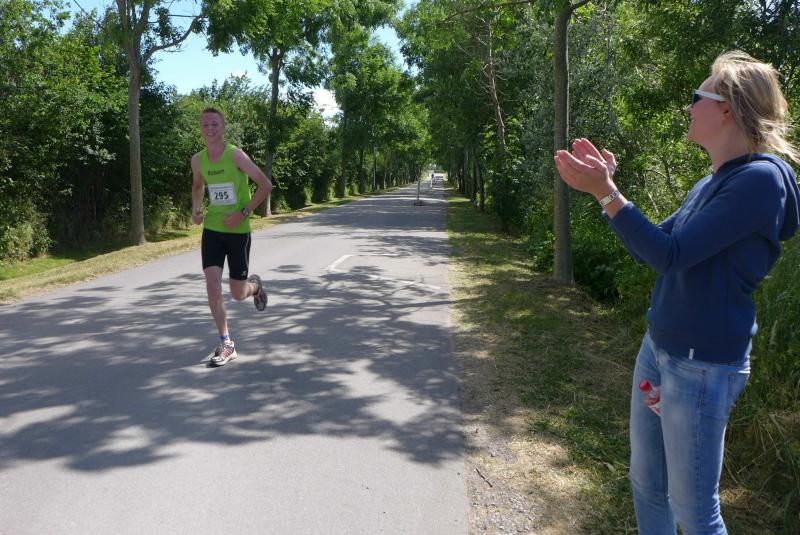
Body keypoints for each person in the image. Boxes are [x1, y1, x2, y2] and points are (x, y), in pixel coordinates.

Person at [554, 51, 799, 534]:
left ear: (726, 110)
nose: (688, 107)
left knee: (695, 512)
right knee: (646, 483)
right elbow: (653, 249)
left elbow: (669, 255)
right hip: (660, 350)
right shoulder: (711, 181)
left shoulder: (759, 181)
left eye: (696, 96)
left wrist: (607, 193)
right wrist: (610, 190)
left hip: (701, 367)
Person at [191, 107, 273, 367]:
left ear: (223, 127)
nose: (210, 128)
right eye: (205, 125)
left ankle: (255, 287)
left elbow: (265, 185)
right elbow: (197, 186)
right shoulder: (198, 160)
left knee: (237, 294)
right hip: (213, 229)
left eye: (214, 124)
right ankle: (226, 343)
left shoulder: (235, 155)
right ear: (200, 128)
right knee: (212, 283)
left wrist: (243, 212)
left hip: (238, 230)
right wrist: (196, 209)